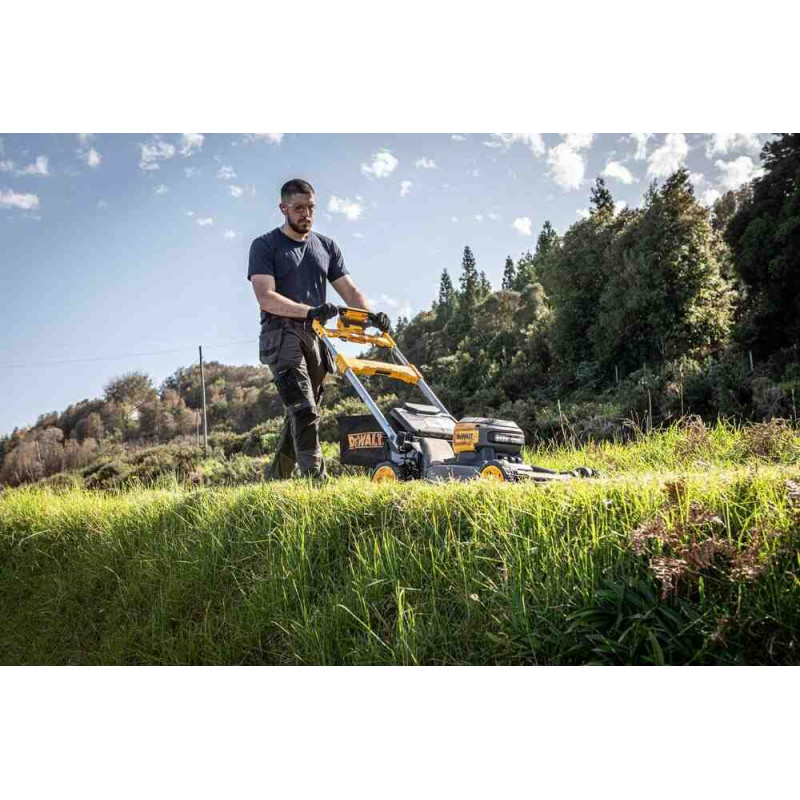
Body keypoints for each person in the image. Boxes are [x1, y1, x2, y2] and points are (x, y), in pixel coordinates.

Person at [248, 178, 390, 481]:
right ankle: (317, 481)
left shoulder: (326, 246)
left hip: (315, 336)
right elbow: (265, 296)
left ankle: (275, 481)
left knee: (302, 413)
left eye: (311, 208)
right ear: (283, 208)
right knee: (303, 408)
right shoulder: (265, 245)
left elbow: (349, 291)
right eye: (299, 208)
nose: (306, 214)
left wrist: (371, 317)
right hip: (281, 334)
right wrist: (309, 310)